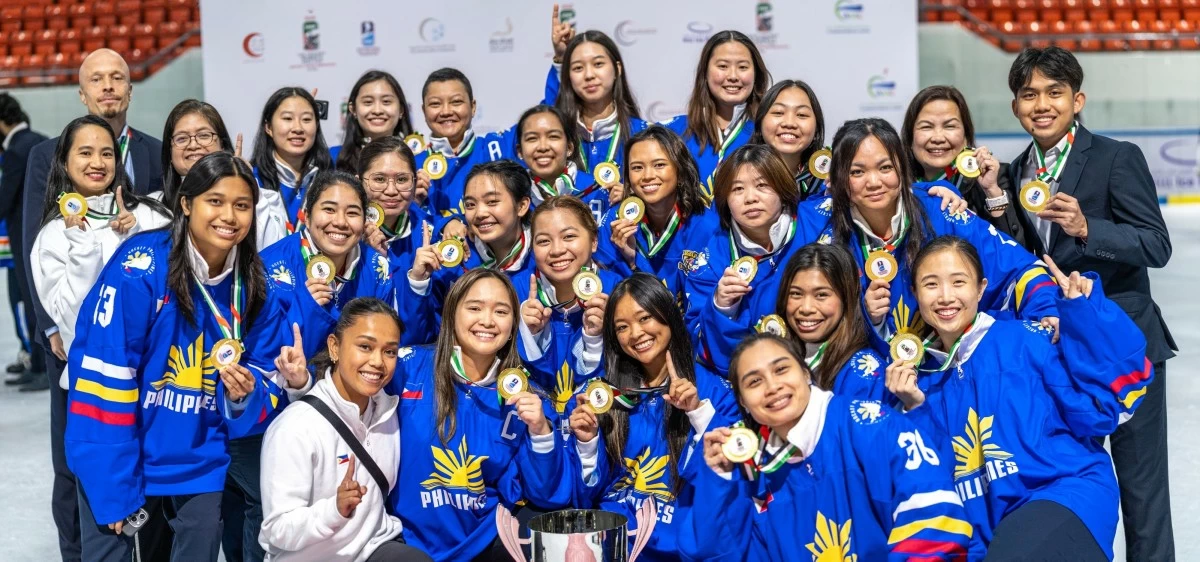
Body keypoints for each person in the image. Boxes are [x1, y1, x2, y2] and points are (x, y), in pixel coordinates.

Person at [64, 152, 301, 562]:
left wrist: (243, 396)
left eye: (242, 205)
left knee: (201, 542)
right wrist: (113, 484)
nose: (229, 215)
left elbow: (264, 378)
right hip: (126, 450)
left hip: (197, 455)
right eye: (215, 201)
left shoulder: (253, 286)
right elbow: (104, 378)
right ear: (187, 204)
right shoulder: (141, 268)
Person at [1000, 46, 1175, 561]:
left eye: (1054, 93)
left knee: (1144, 494)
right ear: (1015, 107)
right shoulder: (1013, 175)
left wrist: (1086, 229)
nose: (1041, 104)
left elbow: (1156, 245)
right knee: (1073, 488)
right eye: (1028, 94)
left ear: (1077, 100)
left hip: (1126, 352)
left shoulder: (1116, 157)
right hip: (1060, 358)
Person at [885, 235, 1151, 560]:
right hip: (990, 529)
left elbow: (1104, 408)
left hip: (1063, 493)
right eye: (930, 284)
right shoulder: (918, 382)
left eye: (959, 282)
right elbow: (935, 481)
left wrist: (1088, 318)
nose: (945, 296)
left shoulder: (1026, 339)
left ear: (981, 289)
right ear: (914, 293)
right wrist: (916, 408)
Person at [22, 49, 163, 562]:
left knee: (149, 480)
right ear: (80, 92)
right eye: (95, 79)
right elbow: (33, 246)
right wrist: (47, 331)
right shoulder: (47, 170)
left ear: (131, 88)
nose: (108, 86)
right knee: (80, 474)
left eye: (118, 77)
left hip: (150, 372)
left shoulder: (153, 156)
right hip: (83, 368)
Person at [679, 334, 977, 561]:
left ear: (806, 373)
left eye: (781, 369)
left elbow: (937, 523)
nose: (772, 387)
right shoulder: (759, 474)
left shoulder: (869, 424)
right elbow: (723, 554)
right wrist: (718, 481)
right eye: (754, 381)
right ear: (743, 401)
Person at [794, 118, 1060, 357]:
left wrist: (1046, 310)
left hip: (950, 366)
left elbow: (1019, 267)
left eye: (885, 167)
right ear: (838, 177)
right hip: (864, 373)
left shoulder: (941, 211)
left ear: (902, 168)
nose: (873, 182)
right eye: (857, 172)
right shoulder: (818, 226)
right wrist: (867, 317)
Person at [384, 269, 572, 561]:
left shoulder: (525, 396)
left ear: (513, 325)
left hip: (485, 544)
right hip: (405, 543)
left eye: (501, 311)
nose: (487, 321)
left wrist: (540, 430)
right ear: (451, 313)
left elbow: (549, 496)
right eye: (474, 308)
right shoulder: (407, 368)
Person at [565, 273, 740, 560]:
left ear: (669, 315)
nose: (635, 334)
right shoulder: (602, 395)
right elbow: (583, 497)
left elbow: (726, 483)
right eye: (622, 327)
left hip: (681, 548)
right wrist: (587, 444)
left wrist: (697, 413)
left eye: (645, 318)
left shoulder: (713, 391)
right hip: (616, 544)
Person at [260, 297, 433, 562]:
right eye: (365, 346)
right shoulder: (294, 427)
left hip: (372, 550)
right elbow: (277, 529)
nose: (378, 362)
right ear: (334, 347)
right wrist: (334, 510)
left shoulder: (388, 412)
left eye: (389, 352)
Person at [685, 144, 802, 375]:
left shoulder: (818, 225)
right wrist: (722, 306)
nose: (750, 198)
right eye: (737, 189)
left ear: (783, 188)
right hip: (751, 376)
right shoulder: (710, 260)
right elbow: (695, 337)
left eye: (762, 185)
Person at [594, 125, 718, 317]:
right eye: (637, 167)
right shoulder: (615, 221)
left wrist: (635, 262)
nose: (647, 176)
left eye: (659, 165)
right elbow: (611, 299)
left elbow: (703, 310)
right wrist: (628, 262)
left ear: (680, 170)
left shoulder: (706, 227)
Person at [517, 196, 620, 413]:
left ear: (594, 241)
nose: (556, 250)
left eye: (569, 236)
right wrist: (529, 334)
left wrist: (595, 338)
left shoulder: (618, 294)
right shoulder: (515, 293)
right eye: (544, 241)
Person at [159, 99, 289, 250]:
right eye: (181, 138)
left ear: (223, 145)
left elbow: (274, 253)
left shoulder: (267, 200)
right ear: (169, 153)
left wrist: (247, 185)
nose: (193, 145)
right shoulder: (153, 208)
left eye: (204, 135)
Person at [902, 85, 1025, 241]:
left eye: (950, 126)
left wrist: (992, 191)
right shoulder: (899, 186)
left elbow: (1015, 249)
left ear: (966, 135)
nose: (938, 138)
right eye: (926, 127)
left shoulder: (997, 178)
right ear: (910, 136)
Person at [775, 244, 892, 402]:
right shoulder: (775, 355)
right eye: (796, 294)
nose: (806, 308)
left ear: (846, 299)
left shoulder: (864, 370)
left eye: (821, 295)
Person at [664, 31, 770, 198]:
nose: (733, 76)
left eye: (742, 67)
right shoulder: (673, 132)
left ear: (756, 74)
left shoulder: (769, 132)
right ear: (705, 73)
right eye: (722, 66)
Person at [545, 22, 648, 177]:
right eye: (578, 68)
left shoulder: (642, 134)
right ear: (568, 76)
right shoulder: (559, 138)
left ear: (617, 69)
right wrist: (561, 58)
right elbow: (548, 115)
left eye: (598, 64)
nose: (589, 75)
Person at [417, 68, 513, 221]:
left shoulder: (496, 149)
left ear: (473, 107)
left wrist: (560, 62)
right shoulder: (412, 166)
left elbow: (543, 122)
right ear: (423, 110)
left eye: (456, 102)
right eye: (435, 104)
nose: (446, 111)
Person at [0, 93, 48, 391]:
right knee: (31, 299)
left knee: (29, 301)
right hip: (39, 234)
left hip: (24, 237)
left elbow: (4, 201)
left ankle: (40, 365)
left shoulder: (17, 150)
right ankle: (36, 360)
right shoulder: (36, 140)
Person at [249, 87, 333, 226]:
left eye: (306, 119)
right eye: (288, 118)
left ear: (317, 125)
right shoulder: (253, 180)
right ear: (268, 127)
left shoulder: (330, 178)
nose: (297, 128)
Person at [515, 104, 611, 221]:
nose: (543, 147)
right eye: (532, 138)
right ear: (520, 151)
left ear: (569, 147)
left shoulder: (598, 190)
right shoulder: (514, 196)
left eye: (553, 136)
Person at [750, 80, 828, 200]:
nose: (789, 123)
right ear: (760, 122)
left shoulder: (829, 180)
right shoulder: (738, 175)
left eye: (802, 115)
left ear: (817, 129)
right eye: (778, 112)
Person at [332, 70, 415, 174]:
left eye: (386, 102)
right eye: (368, 102)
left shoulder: (422, 159)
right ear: (353, 109)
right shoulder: (331, 158)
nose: (377, 110)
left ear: (401, 110)